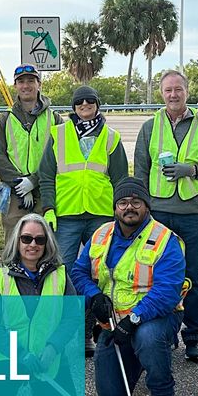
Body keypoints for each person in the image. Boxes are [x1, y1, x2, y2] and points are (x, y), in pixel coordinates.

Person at [70, 178, 185, 396]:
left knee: (148, 336)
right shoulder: (101, 234)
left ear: (146, 206)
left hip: (153, 317)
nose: (129, 207)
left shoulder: (166, 240)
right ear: (115, 207)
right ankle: (140, 357)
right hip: (113, 322)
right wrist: (94, 296)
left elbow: (167, 293)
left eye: (136, 202)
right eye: (122, 202)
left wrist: (133, 320)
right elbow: (78, 272)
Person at [134, 70, 198, 363]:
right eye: (167, 91)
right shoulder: (150, 127)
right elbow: (140, 170)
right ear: (161, 94)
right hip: (158, 213)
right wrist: (143, 208)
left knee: (192, 277)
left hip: (191, 213)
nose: (173, 95)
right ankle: (166, 331)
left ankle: (193, 336)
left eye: (178, 89)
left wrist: (193, 170)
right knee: (158, 276)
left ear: (187, 91)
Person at [38, 84, 128, 356]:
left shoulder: (111, 137)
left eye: (90, 101)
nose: (85, 106)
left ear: (98, 105)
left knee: (100, 274)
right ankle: (60, 336)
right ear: (73, 107)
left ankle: (92, 332)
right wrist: (49, 208)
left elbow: (121, 179)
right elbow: (46, 175)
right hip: (67, 215)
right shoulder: (59, 134)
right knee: (62, 276)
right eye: (80, 102)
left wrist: (120, 214)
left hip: (101, 215)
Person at [0, 213, 78, 396]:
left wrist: (54, 348)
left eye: (39, 239)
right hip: (8, 361)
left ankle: (39, 388)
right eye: (26, 238)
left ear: (47, 243)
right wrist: (19, 354)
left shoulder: (61, 276)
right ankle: (3, 393)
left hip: (48, 360)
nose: (32, 244)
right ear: (17, 241)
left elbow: (72, 317)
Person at [0, 64, 62, 233]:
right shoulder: (5, 119)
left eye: (31, 81)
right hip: (16, 193)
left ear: (39, 84)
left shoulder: (55, 119)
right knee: (14, 242)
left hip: (46, 191)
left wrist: (34, 180)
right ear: (15, 86)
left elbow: (61, 157)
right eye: (21, 81)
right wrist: (20, 184)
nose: (26, 86)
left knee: (44, 241)